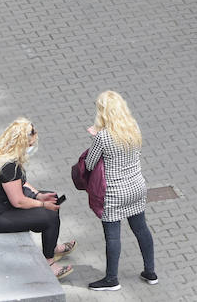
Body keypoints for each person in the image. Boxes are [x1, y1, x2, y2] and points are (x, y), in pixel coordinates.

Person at [0, 119, 75, 280]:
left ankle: (52, 245)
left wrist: (38, 195)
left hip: (0, 204)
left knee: (51, 199)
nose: (31, 147)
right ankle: (49, 262)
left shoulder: (4, 153)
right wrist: (42, 204)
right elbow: (18, 201)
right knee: (49, 216)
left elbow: (20, 183)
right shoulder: (9, 166)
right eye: (30, 144)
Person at [84, 91, 157, 291]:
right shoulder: (134, 127)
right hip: (136, 187)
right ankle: (150, 272)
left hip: (114, 193)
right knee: (141, 229)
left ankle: (111, 279)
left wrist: (95, 138)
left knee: (113, 237)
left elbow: (90, 164)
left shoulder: (103, 137)